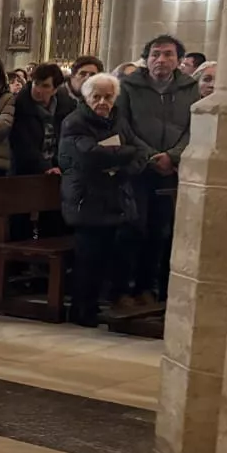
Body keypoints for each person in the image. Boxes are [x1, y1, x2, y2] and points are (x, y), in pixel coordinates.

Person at [116, 33, 200, 305]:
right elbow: (123, 125)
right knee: (133, 228)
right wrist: (152, 155)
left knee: (160, 231)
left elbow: (194, 128)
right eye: (155, 54)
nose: (161, 59)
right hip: (139, 169)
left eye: (167, 54)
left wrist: (173, 157)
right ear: (146, 58)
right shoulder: (128, 86)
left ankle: (148, 287)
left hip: (171, 171)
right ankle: (125, 288)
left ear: (178, 60)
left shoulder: (190, 88)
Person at [59, 73, 143, 327]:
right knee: (88, 258)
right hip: (86, 199)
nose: (102, 102)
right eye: (96, 96)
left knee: (109, 255)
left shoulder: (119, 120)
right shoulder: (75, 121)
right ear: (86, 97)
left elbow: (141, 151)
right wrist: (124, 155)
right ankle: (82, 310)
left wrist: (123, 166)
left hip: (114, 197)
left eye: (108, 96)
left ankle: (98, 305)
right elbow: (89, 156)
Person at [10, 63, 73, 177]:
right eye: (36, 84)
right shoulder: (20, 105)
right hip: (27, 172)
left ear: (55, 90)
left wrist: (60, 165)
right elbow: (23, 145)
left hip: (59, 169)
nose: (38, 90)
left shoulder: (65, 105)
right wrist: (46, 168)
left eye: (45, 86)